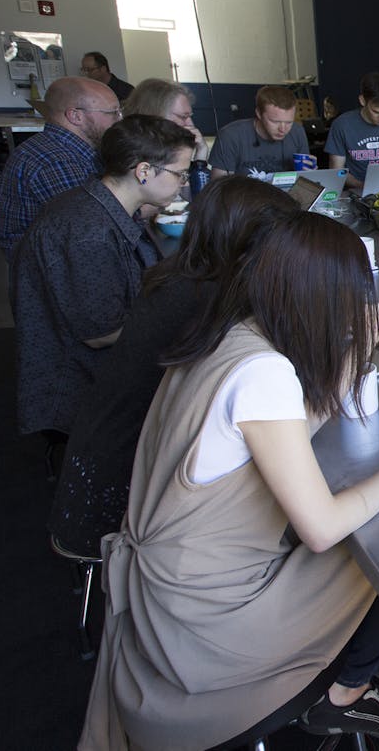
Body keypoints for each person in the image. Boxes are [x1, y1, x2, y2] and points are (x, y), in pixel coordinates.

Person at [79, 214, 379, 749]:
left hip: (178, 577)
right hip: (212, 619)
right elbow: (323, 529)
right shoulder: (265, 373)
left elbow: (294, 422)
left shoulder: (232, 330)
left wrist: (354, 350)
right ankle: (343, 693)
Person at [48, 176, 299, 558]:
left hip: (98, 460)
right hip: (128, 499)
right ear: (254, 242)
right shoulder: (212, 304)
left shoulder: (182, 276)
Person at [9, 115, 196, 455]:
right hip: (82, 384)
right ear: (143, 171)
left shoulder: (100, 204)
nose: (183, 183)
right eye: (180, 173)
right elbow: (102, 333)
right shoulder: (87, 232)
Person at [0, 75, 122, 260]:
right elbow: (92, 226)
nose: (120, 120)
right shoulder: (55, 161)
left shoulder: (69, 148)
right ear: (75, 116)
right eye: (113, 112)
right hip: (49, 269)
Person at [209, 85, 311, 178]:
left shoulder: (297, 132)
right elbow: (219, 187)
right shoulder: (230, 136)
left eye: (289, 122)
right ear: (258, 113)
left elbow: (305, 179)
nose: (283, 129)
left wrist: (309, 173)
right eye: (275, 122)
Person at [125, 77, 209, 162]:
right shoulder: (132, 155)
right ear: (156, 115)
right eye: (183, 117)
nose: (191, 124)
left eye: (190, 116)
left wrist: (201, 152)